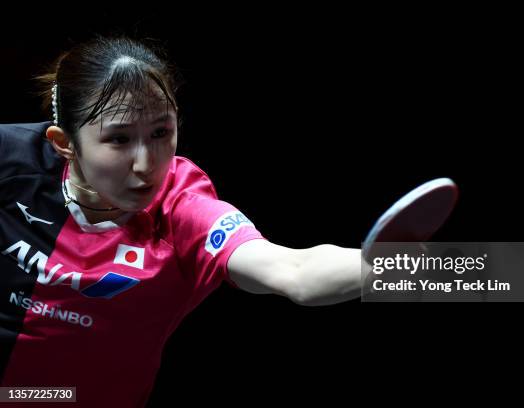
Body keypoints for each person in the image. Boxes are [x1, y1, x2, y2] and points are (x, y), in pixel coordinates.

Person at [0, 36, 362, 407]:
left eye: (160, 132)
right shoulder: (11, 161)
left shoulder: (182, 208)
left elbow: (295, 271)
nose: (145, 164)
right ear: (64, 143)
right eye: (119, 139)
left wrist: (418, 270)